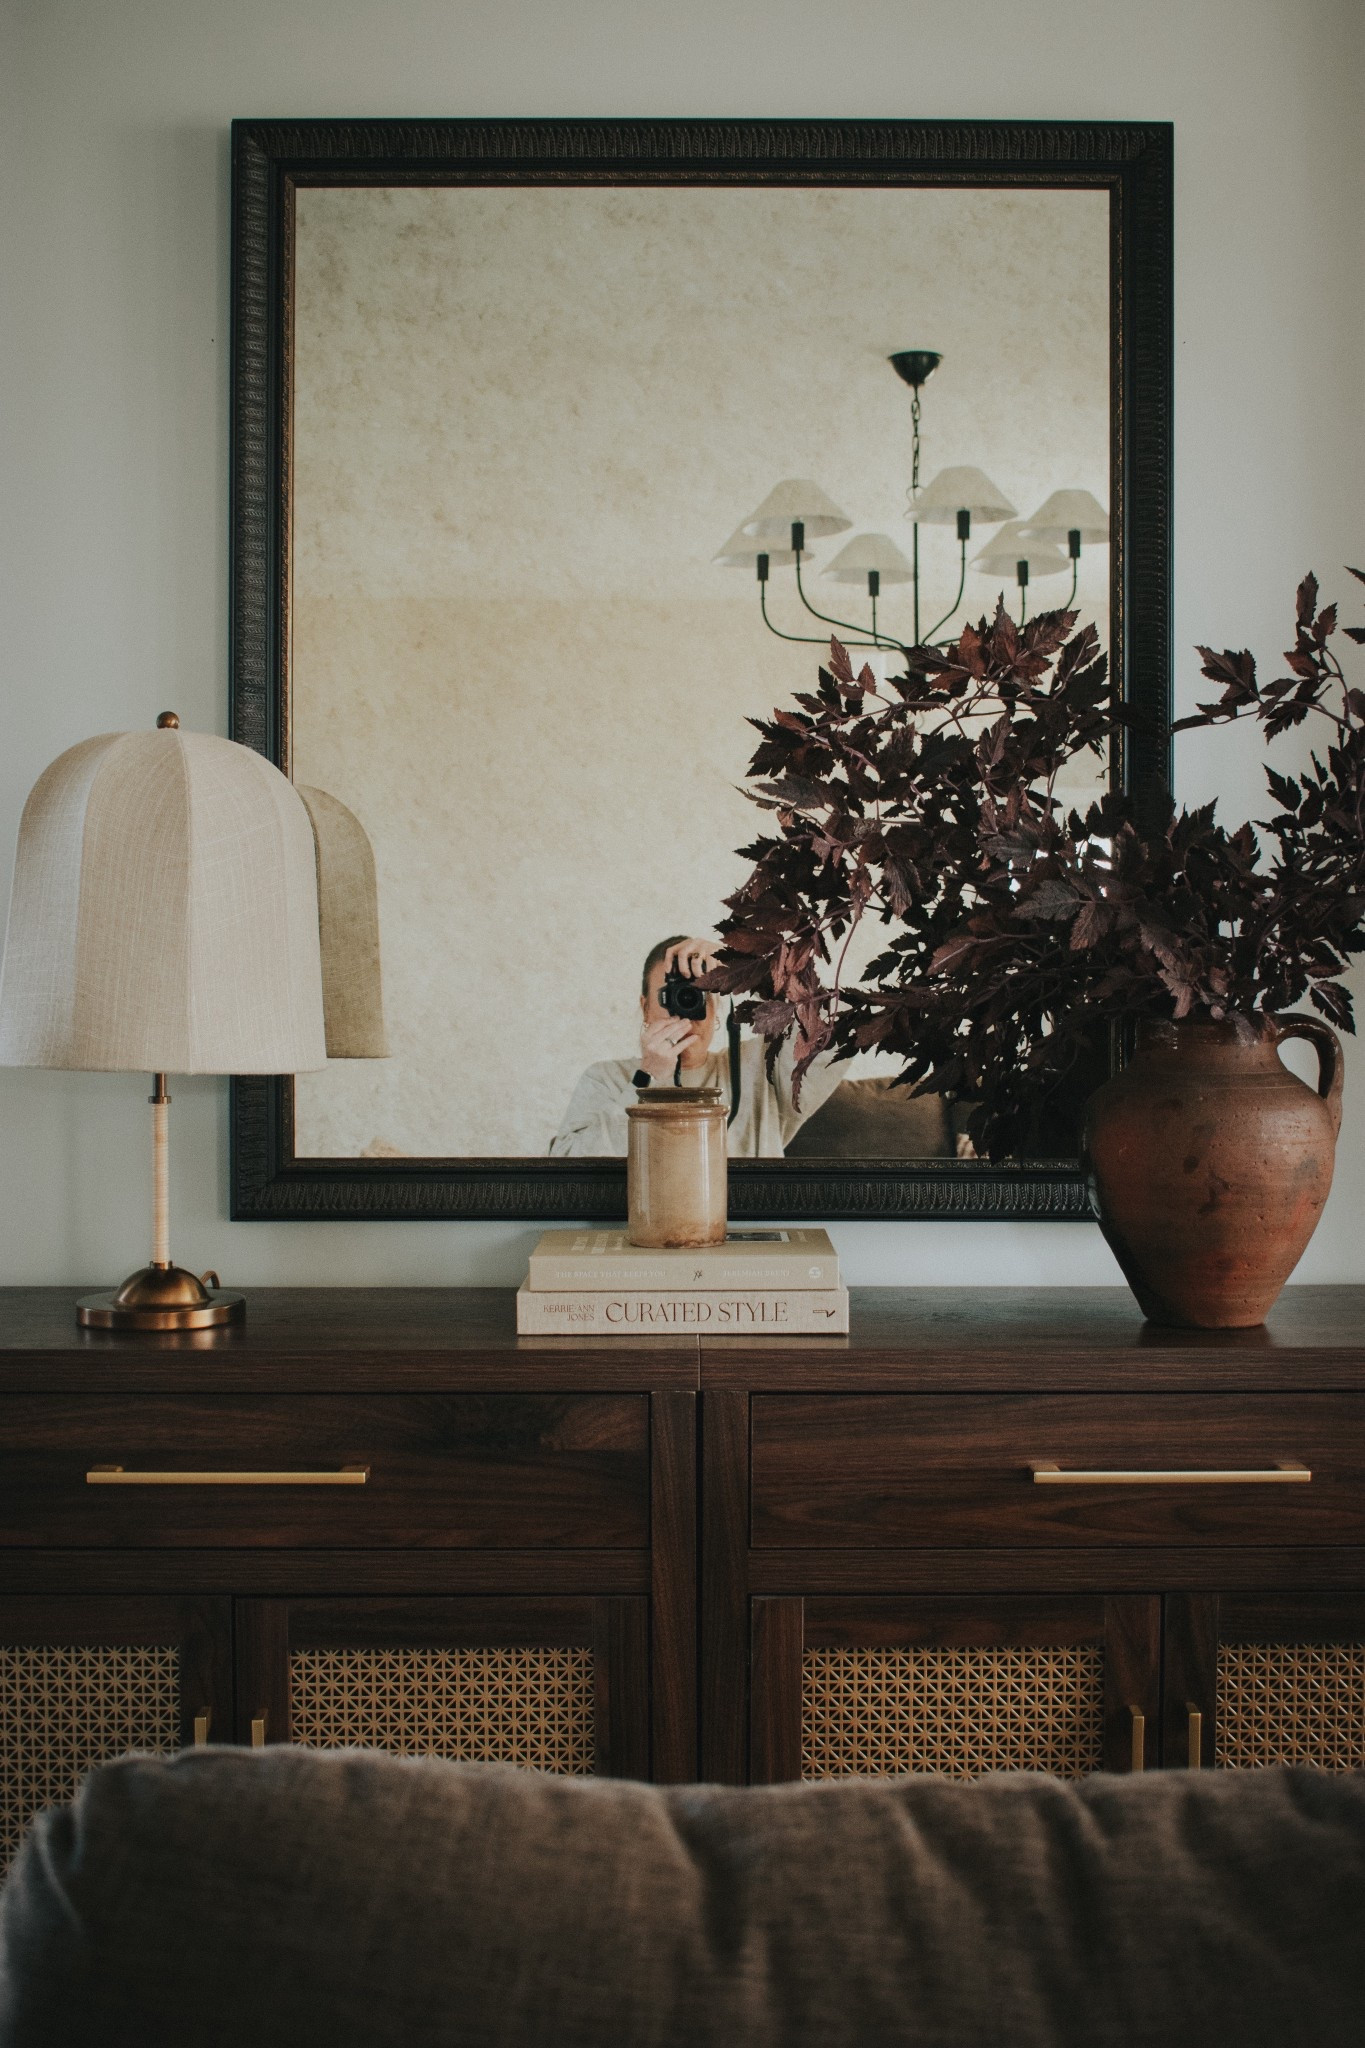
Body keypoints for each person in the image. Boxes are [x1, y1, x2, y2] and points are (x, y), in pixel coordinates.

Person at [549, 935, 844, 1157]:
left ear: (716, 1008)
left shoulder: (760, 1068)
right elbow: (566, 1168)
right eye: (672, 995)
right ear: (646, 1008)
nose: (683, 1009)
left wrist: (747, 967)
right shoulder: (606, 1080)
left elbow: (835, 1023)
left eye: (697, 995)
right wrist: (648, 1078)